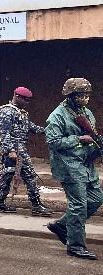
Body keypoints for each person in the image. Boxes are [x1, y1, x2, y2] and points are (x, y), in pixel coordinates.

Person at [45, 78, 100, 260]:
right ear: (70, 96)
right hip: (68, 165)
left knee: (97, 197)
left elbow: (92, 133)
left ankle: (62, 225)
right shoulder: (57, 116)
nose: (84, 99)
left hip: (86, 163)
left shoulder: (87, 113)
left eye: (86, 95)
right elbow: (53, 142)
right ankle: (75, 245)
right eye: (80, 96)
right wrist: (78, 139)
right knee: (79, 205)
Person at [0, 87, 51, 216]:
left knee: (7, 175)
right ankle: (36, 205)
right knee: (29, 175)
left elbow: (29, 126)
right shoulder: (7, 111)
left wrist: (45, 130)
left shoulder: (21, 112)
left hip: (20, 148)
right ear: (16, 96)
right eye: (25, 99)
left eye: (29, 100)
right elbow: (5, 133)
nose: (27, 102)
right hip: (14, 149)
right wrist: (10, 151)